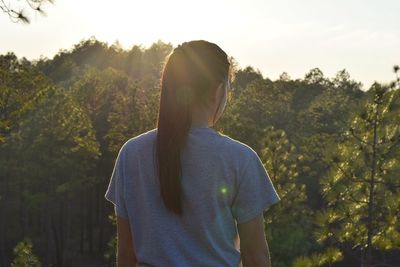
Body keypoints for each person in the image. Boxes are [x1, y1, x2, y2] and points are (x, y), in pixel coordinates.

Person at [105, 40, 281, 267]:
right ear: (218, 91)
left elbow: (127, 255)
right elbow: (257, 257)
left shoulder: (131, 154)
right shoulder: (240, 159)